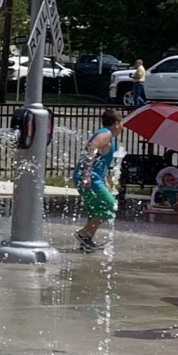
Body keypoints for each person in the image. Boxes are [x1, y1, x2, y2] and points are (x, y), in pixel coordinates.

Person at [75, 108, 124, 252]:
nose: (123, 127)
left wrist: (104, 180)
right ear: (116, 123)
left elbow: (99, 161)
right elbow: (92, 149)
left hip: (93, 176)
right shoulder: (106, 134)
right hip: (89, 177)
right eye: (122, 123)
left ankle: (86, 242)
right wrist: (86, 174)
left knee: (94, 210)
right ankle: (84, 234)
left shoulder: (106, 134)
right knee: (110, 206)